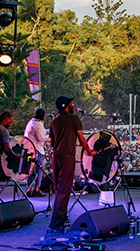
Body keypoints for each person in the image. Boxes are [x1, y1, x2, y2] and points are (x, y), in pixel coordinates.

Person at [47, 96, 98, 235]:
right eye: (70, 103)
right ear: (66, 106)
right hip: (67, 158)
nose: (73, 104)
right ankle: (55, 225)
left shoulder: (54, 122)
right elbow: (81, 138)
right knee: (64, 191)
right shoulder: (74, 119)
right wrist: (89, 151)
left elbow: (52, 143)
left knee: (59, 190)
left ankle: (60, 220)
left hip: (56, 158)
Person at [25, 108, 50, 197]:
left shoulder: (32, 122)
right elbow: (41, 138)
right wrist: (50, 137)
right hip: (36, 149)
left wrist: (48, 131)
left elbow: (41, 133)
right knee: (40, 169)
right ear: (43, 115)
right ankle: (36, 189)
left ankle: (29, 189)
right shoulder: (38, 124)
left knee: (30, 169)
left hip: (30, 149)